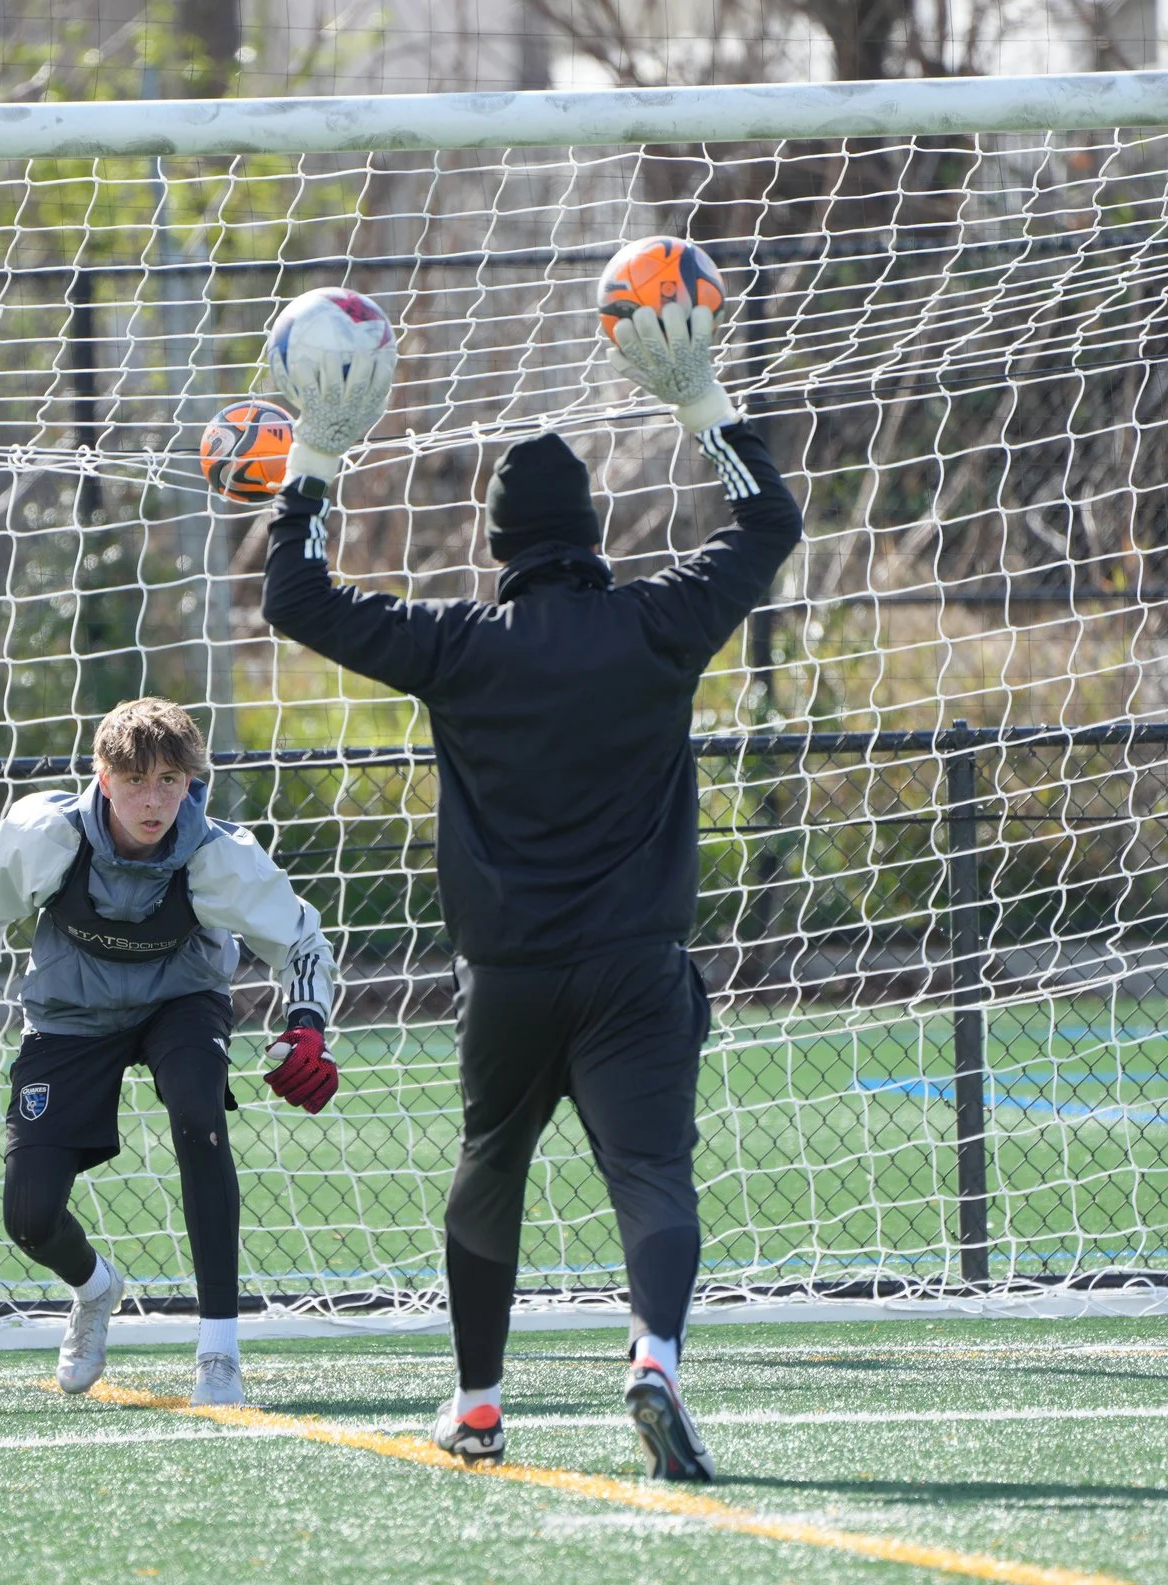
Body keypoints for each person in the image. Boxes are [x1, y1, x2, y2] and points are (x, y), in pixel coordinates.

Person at [257, 297, 804, 1478]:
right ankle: (654, 1352)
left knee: (487, 1165)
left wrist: (317, 456)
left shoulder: (460, 643)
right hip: (635, 969)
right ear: (593, 532)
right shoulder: (658, 624)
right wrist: (701, 398)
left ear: (499, 544)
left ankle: (480, 1402)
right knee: (651, 1173)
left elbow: (290, 599)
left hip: (505, 977)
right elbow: (770, 525)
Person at [0, 697, 340, 1407]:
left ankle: (219, 1350)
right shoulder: (44, 835)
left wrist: (308, 1022)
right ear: (101, 775)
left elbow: (303, 939)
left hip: (179, 1001)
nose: (151, 801)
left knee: (198, 1117)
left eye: (170, 781)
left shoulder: (220, 857)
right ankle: (96, 1291)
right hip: (70, 1008)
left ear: (192, 781)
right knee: (29, 1217)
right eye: (133, 780)